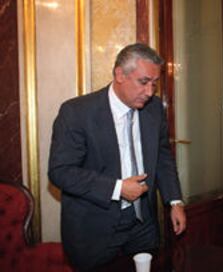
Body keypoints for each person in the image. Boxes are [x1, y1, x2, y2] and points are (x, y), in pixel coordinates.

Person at [48, 43, 186, 271]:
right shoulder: (77, 112)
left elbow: (163, 157)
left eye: (154, 84)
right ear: (120, 74)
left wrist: (175, 201)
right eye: (143, 82)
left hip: (143, 223)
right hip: (94, 228)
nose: (150, 92)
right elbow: (60, 171)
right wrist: (117, 188)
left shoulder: (153, 110)